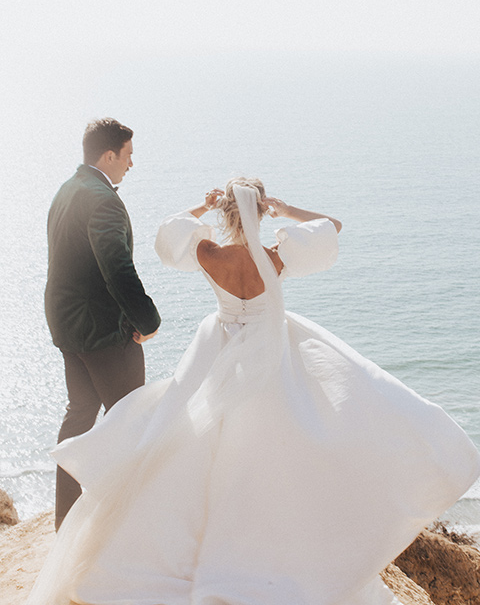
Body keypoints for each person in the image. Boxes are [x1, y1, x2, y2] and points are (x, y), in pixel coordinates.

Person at [30, 177, 479, 605]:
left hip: (220, 346)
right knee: (280, 435)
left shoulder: (207, 252)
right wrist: (286, 210)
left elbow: (167, 234)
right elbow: (333, 227)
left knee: (202, 442)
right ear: (260, 210)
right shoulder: (278, 255)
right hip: (271, 350)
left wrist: (202, 207)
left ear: (226, 212)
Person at [44, 117, 161, 531]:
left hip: (68, 327)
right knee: (133, 421)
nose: (131, 164)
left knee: (79, 416)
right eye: (128, 156)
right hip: (104, 332)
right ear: (109, 155)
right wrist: (148, 320)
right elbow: (117, 268)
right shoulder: (105, 201)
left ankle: (68, 522)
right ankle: (129, 526)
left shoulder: (68, 189)